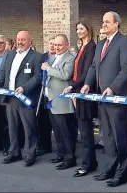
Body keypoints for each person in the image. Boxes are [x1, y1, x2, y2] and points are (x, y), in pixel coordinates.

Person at [81, 11, 127, 187]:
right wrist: (88, 84)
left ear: (116, 24)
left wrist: (113, 88)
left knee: (121, 136)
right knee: (108, 136)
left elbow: (126, 69)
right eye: (102, 21)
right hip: (103, 98)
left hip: (117, 98)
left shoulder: (124, 41)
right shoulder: (101, 44)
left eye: (107, 22)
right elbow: (93, 66)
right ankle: (110, 168)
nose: (103, 24)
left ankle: (122, 173)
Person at [0, 31, 42, 167]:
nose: (20, 42)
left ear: (29, 41)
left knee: (29, 127)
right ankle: (14, 152)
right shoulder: (10, 54)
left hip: (25, 97)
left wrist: (24, 88)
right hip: (10, 97)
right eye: (18, 40)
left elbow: (38, 77)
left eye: (23, 40)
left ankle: (30, 153)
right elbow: (3, 72)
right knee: (12, 126)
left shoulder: (36, 57)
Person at [62, 19, 98, 177]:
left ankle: (87, 164)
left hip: (85, 93)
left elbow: (87, 73)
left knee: (85, 132)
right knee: (83, 131)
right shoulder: (81, 47)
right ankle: (90, 161)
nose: (78, 31)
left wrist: (73, 87)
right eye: (77, 29)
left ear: (88, 30)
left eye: (81, 28)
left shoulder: (91, 47)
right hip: (78, 93)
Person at [41, 34, 76, 170]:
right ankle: (61, 154)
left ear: (67, 45)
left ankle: (69, 157)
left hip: (62, 101)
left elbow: (65, 74)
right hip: (51, 99)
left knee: (65, 131)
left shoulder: (70, 59)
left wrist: (48, 69)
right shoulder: (52, 57)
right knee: (57, 130)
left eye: (60, 45)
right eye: (55, 45)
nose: (56, 47)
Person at [36, 36, 56, 156]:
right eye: (51, 43)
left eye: (55, 43)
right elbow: (38, 71)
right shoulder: (43, 57)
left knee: (57, 122)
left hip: (55, 93)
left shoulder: (59, 57)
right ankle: (45, 145)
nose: (53, 46)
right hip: (43, 94)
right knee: (43, 121)